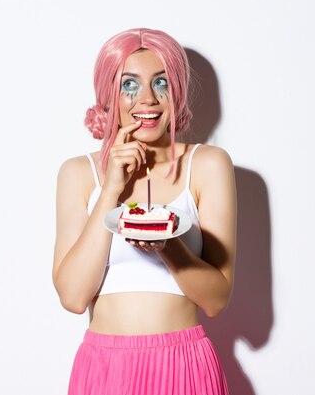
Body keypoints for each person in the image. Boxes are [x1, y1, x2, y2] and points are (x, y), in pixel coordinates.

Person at [53, 28, 237, 395]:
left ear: (178, 90)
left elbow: (216, 300)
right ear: (110, 95)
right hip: (105, 370)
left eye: (162, 83)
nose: (148, 100)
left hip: (184, 364)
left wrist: (167, 244)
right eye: (129, 85)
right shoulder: (79, 173)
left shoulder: (207, 165)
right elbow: (73, 297)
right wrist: (111, 190)